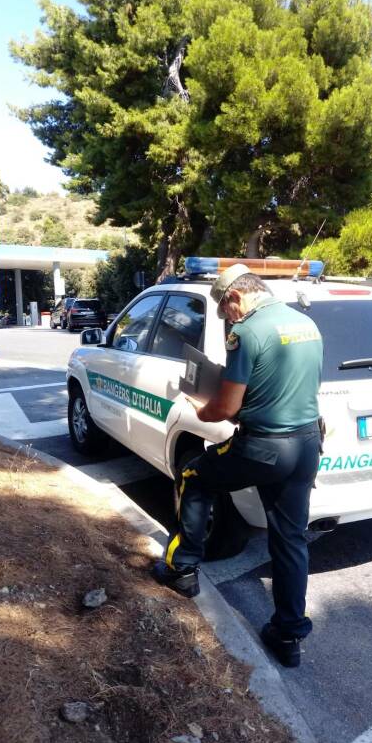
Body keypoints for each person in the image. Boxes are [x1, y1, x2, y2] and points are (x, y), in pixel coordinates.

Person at [152, 263, 323, 667]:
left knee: (194, 475)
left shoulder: (245, 332)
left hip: (263, 447)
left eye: (225, 310)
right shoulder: (306, 324)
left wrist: (201, 407)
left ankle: (183, 568)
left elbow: (226, 409)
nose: (227, 318)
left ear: (235, 297)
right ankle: (288, 635)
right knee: (290, 538)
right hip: (306, 446)